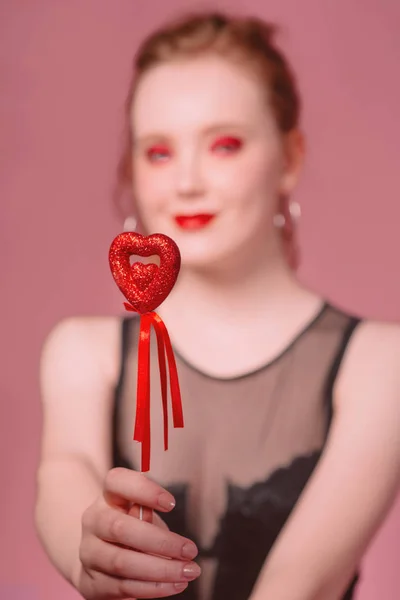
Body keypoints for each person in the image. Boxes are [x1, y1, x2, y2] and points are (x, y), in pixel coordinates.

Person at [34, 10, 400, 600]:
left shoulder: (382, 363)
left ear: (291, 157)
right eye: (157, 152)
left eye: (223, 145)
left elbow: (298, 586)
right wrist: (88, 550)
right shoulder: (82, 351)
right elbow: (63, 473)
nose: (186, 182)